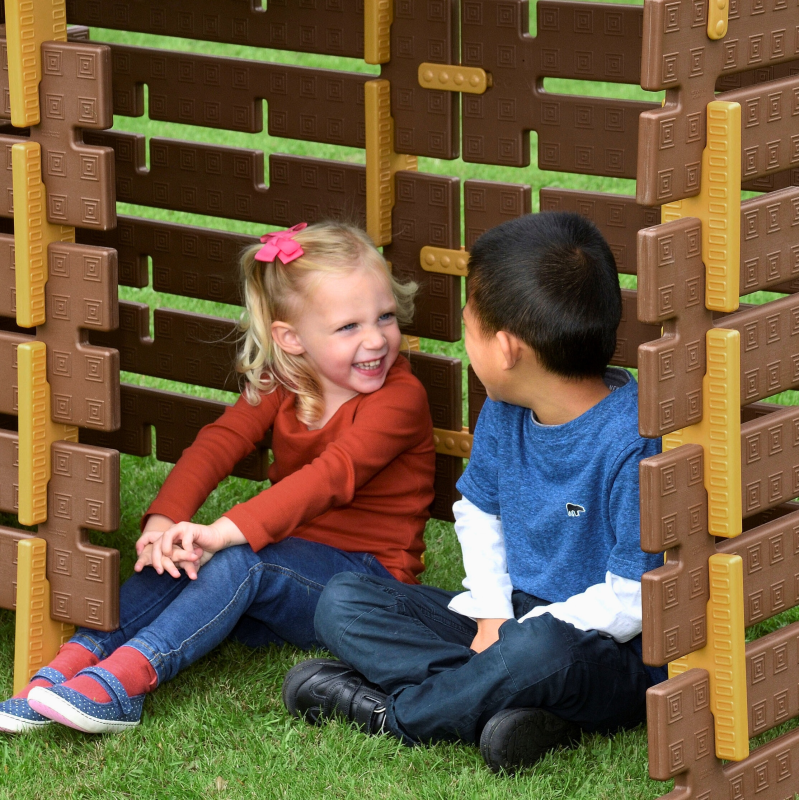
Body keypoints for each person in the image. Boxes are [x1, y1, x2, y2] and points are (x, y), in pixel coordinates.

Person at [1, 221, 436, 734]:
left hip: (364, 588)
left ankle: (127, 681)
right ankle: (73, 661)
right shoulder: (286, 379)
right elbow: (220, 442)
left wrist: (224, 532)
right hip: (287, 569)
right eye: (349, 327)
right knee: (182, 555)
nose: (376, 339)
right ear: (291, 339)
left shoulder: (400, 399)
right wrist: (165, 523)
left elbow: (328, 477)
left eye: (385, 317)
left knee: (239, 557)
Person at [282, 212, 667, 773]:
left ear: (506, 349)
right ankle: (505, 704)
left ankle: (397, 716)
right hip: (511, 618)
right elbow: (479, 511)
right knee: (343, 600)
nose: (466, 345)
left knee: (538, 653)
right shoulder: (505, 409)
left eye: (468, 329)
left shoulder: (634, 442)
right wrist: (491, 618)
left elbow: (632, 601)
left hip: (603, 650)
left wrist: (516, 638)